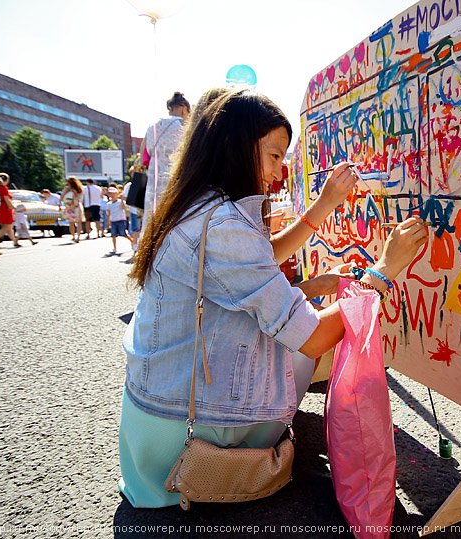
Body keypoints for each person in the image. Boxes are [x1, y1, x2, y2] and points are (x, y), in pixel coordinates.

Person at [118, 90, 427, 508]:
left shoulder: (198, 204)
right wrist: (383, 271)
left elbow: (255, 263)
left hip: (153, 418)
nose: (280, 173)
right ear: (233, 146)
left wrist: (316, 255)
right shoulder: (225, 223)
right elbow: (313, 337)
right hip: (183, 441)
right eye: (274, 156)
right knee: (308, 346)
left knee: (298, 327)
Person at [142, 91, 191, 226]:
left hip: (154, 178)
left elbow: (144, 155)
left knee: (153, 220)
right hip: (176, 178)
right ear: (184, 107)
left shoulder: (153, 126)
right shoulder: (184, 126)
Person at [0, 173, 16, 248]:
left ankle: (14, 241)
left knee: (9, 226)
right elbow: (7, 200)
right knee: (7, 226)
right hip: (5, 208)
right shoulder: (4, 188)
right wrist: (13, 207)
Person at [59, 176, 85, 243]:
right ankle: (78, 237)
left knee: (71, 222)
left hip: (70, 206)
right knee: (79, 222)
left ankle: (73, 236)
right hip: (77, 205)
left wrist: (59, 204)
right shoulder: (80, 189)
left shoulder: (68, 189)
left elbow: (62, 196)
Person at [106, 186, 131, 255]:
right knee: (113, 235)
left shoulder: (120, 202)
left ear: (116, 194)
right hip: (113, 220)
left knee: (123, 234)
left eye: (113, 193)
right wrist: (108, 222)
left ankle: (132, 241)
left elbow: (123, 207)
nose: (111, 195)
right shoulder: (108, 204)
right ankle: (114, 247)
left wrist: (122, 200)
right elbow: (109, 214)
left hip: (120, 220)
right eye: (110, 194)